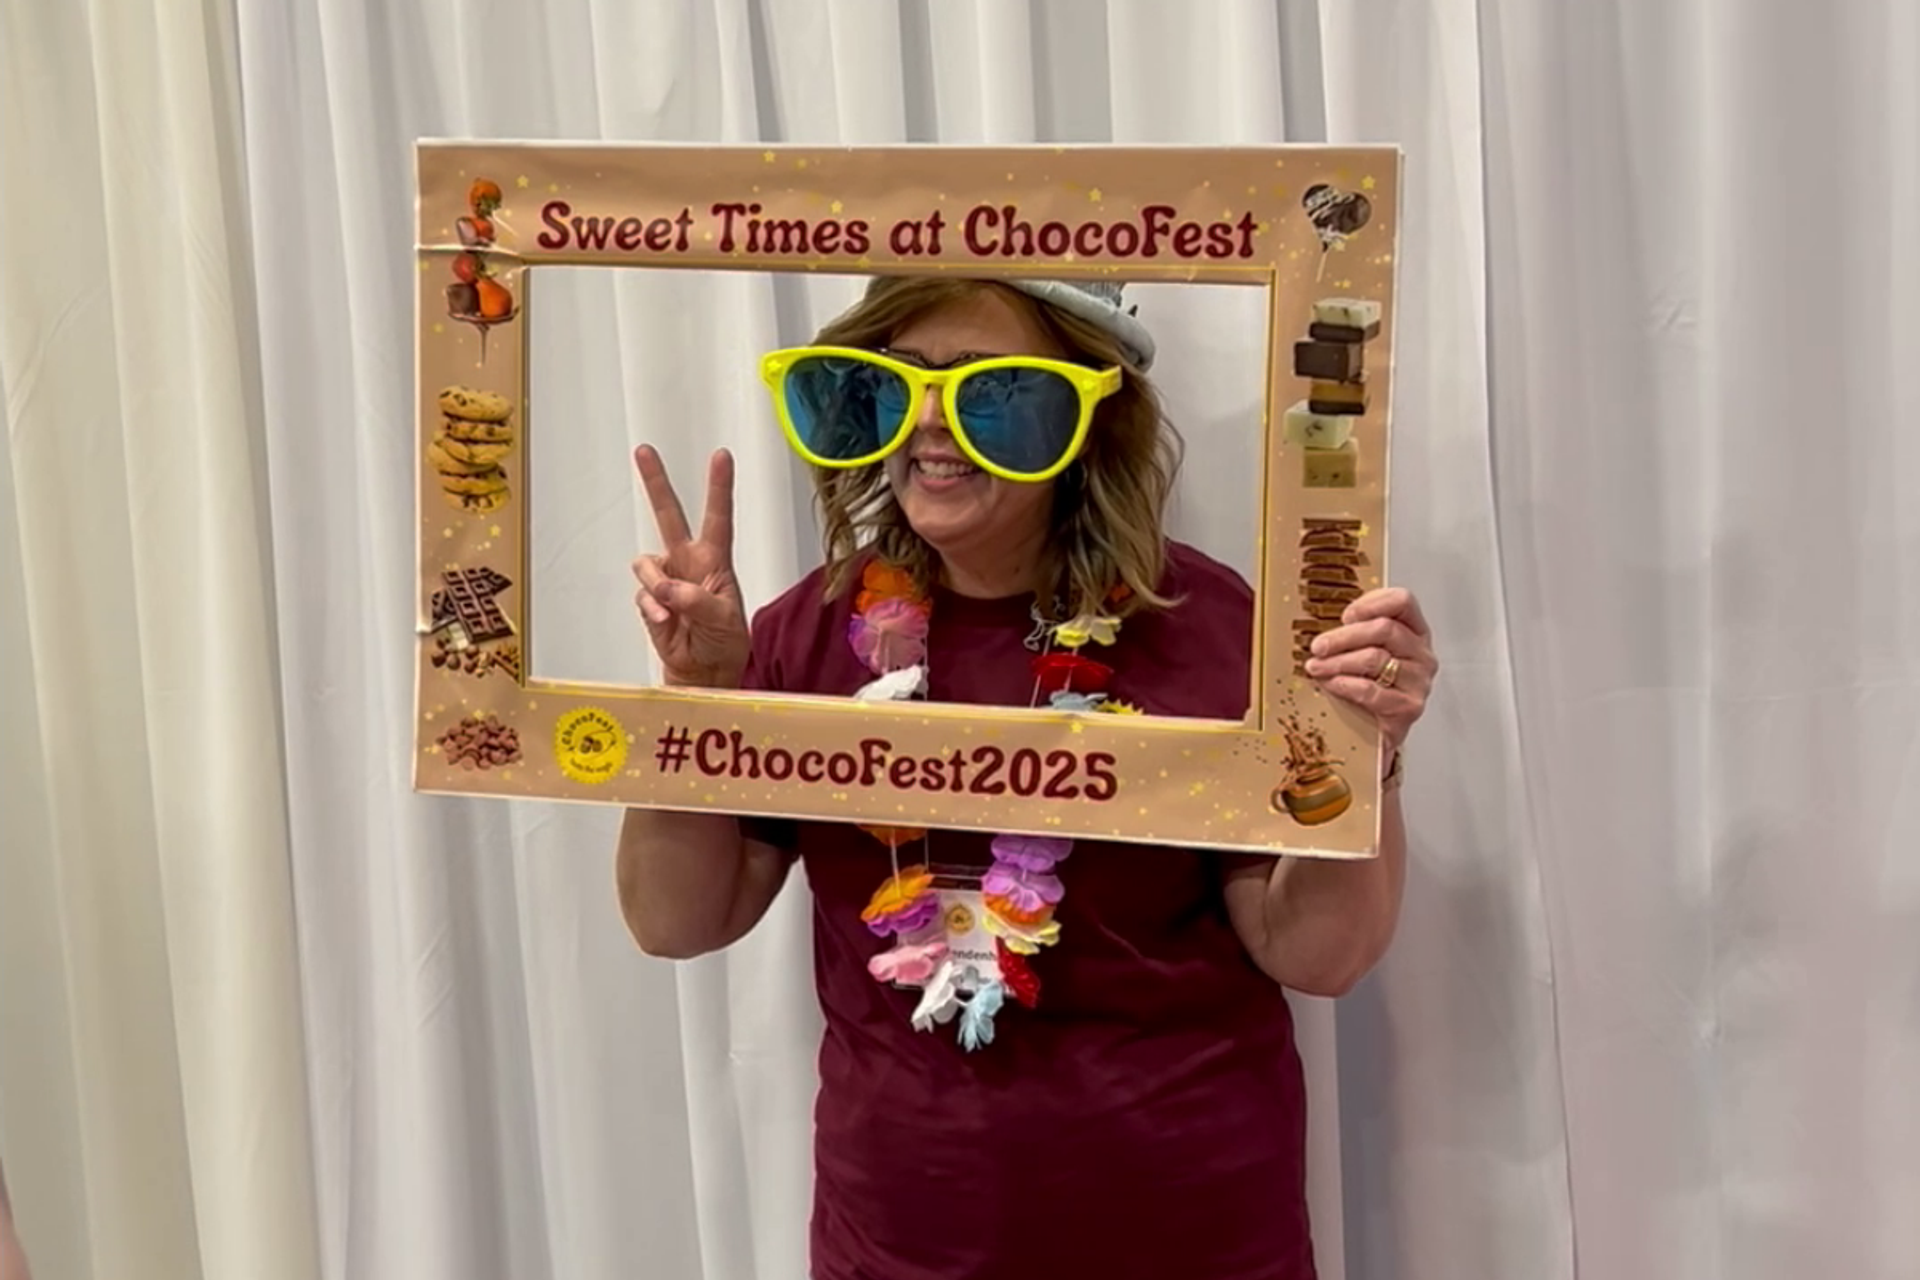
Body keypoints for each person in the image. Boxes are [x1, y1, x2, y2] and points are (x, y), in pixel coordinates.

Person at [616, 275, 1438, 1280]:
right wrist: (691, 697)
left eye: (991, 389)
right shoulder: (810, 630)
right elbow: (675, 917)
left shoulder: (1213, 627)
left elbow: (1319, 949)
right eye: (897, 384)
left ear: (1086, 415)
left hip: (1195, 1240)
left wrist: (1365, 746)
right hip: (897, 1248)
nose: (929, 424)